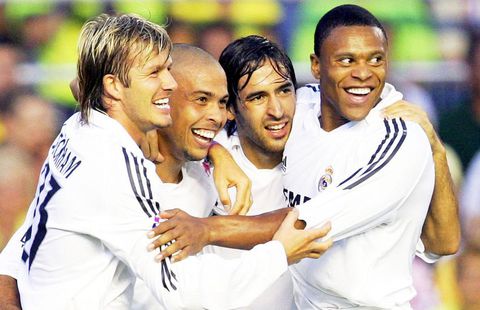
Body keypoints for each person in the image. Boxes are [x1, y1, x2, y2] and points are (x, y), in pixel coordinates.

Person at [0, 14, 330, 310]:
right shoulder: (118, 171)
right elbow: (182, 289)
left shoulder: (78, 128)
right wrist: (279, 254)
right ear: (113, 86)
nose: (168, 84)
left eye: (168, 71)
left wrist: (216, 152)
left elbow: (82, 86)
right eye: (155, 73)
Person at [152, 6, 460, 309]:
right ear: (316, 66)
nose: (362, 73)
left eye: (375, 59)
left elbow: (307, 224)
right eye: (346, 60)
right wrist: (216, 153)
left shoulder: (398, 136)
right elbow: (179, 129)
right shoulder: (304, 109)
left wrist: (205, 230)